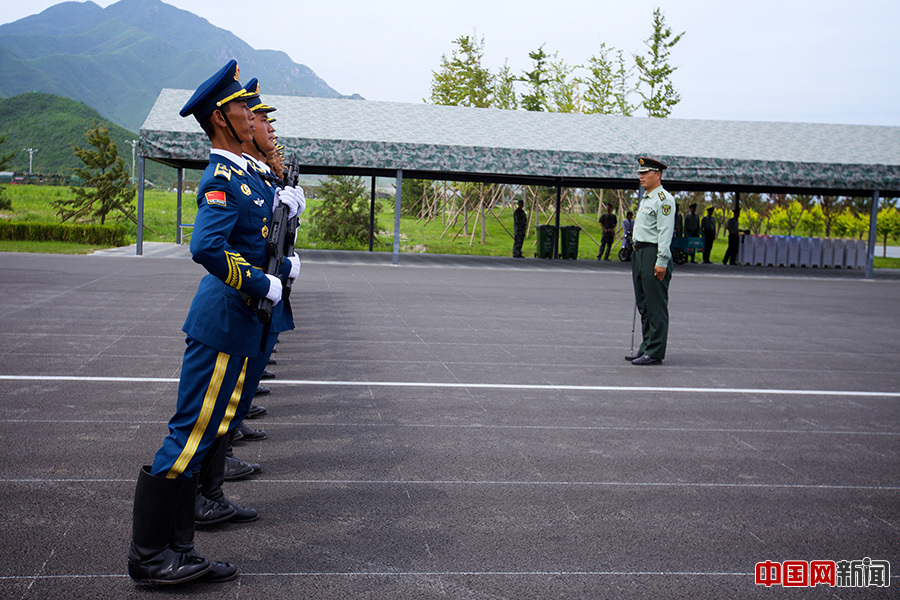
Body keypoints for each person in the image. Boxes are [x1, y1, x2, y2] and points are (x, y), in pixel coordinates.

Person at [127, 60, 302, 586]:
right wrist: (261, 283)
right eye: (245, 107)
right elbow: (205, 247)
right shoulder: (221, 176)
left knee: (204, 434)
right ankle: (150, 557)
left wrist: (282, 262)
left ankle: (177, 550)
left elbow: (255, 238)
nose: (254, 114)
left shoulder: (244, 174)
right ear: (223, 119)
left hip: (237, 322)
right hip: (224, 320)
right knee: (188, 436)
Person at [626, 157, 675, 366]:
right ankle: (646, 347)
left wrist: (662, 260)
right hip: (640, 254)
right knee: (644, 305)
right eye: (639, 173)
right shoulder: (647, 198)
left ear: (658, 174)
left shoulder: (664, 199)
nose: (641, 176)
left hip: (653, 254)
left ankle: (655, 351)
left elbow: (665, 232)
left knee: (655, 305)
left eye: (645, 173)